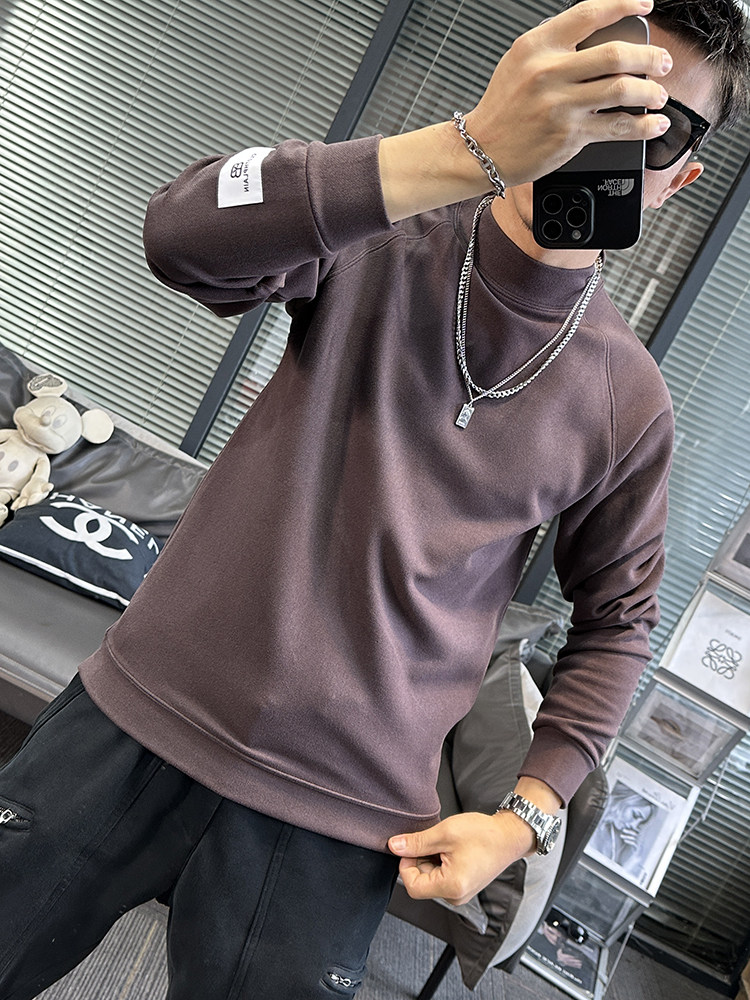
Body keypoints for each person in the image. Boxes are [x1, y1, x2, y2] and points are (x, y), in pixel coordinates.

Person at [1, 1, 748, 997]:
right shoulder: (382, 231)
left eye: (656, 121)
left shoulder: (627, 402)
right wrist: (469, 148)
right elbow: (179, 237)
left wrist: (522, 819)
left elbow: (618, 624)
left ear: (679, 179)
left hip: (344, 815)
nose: (610, 127)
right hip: (137, 716)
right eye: (594, 85)